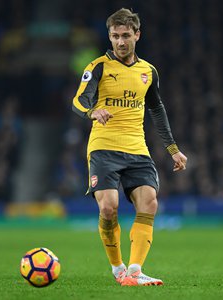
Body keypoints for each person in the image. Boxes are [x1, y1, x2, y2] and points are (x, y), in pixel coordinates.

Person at [71, 8, 187, 286]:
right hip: (103, 147)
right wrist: (92, 112)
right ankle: (117, 267)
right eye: (114, 36)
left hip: (137, 148)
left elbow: (157, 110)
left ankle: (135, 271)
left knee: (150, 201)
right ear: (109, 37)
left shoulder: (149, 71)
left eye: (125, 36)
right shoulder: (98, 67)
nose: (120, 42)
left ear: (137, 35)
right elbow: (78, 100)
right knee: (108, 208)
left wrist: (173, 149)